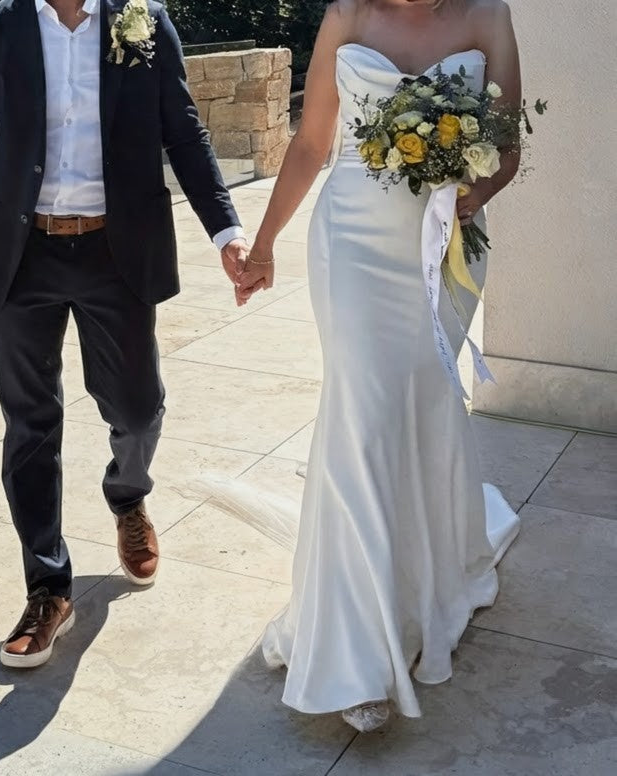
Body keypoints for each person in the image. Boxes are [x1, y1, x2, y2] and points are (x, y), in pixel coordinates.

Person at [0, 0, 248, 668]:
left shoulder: (143, 21)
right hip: (21, 256)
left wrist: (225, 229)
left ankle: (127, 495)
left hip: (117, 251)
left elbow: (182, 130)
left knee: (137, 406)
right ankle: (48, 587)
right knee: (29, 424)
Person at [233, 0, 522, 731]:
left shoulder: (487, 15)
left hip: (443, 251)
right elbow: (309, 145)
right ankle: (356, 656)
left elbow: (505, 142)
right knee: (361, 422)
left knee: (423, 406)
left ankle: (426, 576)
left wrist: (472, 191)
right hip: (353, 243)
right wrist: (263, 243)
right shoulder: (346, 17)